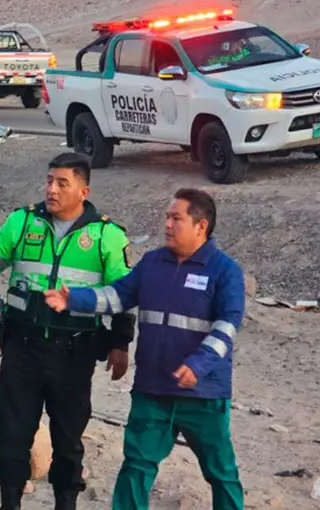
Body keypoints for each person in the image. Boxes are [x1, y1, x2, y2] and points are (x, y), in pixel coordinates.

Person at [44, 188, 244, 510]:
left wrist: (199, 364)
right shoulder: (152, 263)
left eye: (176, 218)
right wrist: (74, 299)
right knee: (136, 467)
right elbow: (118, 296)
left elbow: (228, 325)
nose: (167, 223)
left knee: (222, 474)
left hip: (203, 395)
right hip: (153, 391)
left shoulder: (224, 271)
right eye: (167, 216)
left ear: (201, 226)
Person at [0, 152, 135, 510]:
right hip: (21, 350)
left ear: (83, 191)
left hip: (74, 355)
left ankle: (65, 503)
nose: (52, 189)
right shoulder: (22, 222)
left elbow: (123, 295)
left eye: (62, 183)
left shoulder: (106, 235)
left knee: (68, 441)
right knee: (12, 438)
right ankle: (9, 503)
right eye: (49, 181)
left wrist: (120, 344)